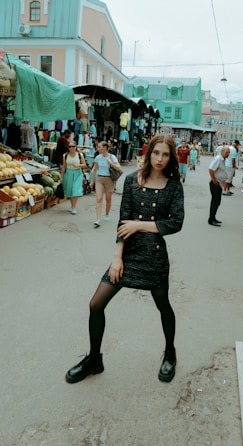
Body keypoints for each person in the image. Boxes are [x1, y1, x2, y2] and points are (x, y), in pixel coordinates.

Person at [65, 134, 184, 384]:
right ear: (149, 153)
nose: (160, 159)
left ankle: (170, 353)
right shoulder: (131, 181)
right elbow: (122, 222)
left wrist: (140, 225)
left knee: (163, 306)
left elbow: (175, 223)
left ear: (171, 157)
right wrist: (117, 258)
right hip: (128, 253)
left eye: (165, 154)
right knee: (96, 304)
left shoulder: (173, 185)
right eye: (156, 153)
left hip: (155, 255)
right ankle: (95, 359)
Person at [90, 140, 122, 227]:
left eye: (99, 147)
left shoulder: (112, 157)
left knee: (108, 198)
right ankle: (98, 219)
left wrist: (110, 163)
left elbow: (119, 168)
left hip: (109, 180)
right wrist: (92, 181)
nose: (98, 148)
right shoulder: (98, 157)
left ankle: (107, 214)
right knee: (99, 198)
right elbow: (95, 170)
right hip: (99, 179)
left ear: (105, 148)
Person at [60, 142, 86, 215]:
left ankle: (74, 207)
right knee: (70, 190)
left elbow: (84, 165)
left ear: (76, 147)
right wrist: (61, 177)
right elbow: (64, 166)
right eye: (70, 146)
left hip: (77, 174)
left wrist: (78, 165)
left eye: (73, 146)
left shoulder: (80, 155)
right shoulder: (65, 155)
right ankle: (72, 206)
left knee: (75, 190)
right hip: (68, 173)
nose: (71, 148)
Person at [208, 145, 230, 226]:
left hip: (219, 184)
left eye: (229, 153)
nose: (228, 154)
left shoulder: (222, 160)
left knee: (217, 202)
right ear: (222, 152)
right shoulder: (218, 159)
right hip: (215, 184)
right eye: (226, 152)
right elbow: (211, 169)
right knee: (215, 202)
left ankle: (213, 217)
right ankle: (211, 219)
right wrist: (214, 180)